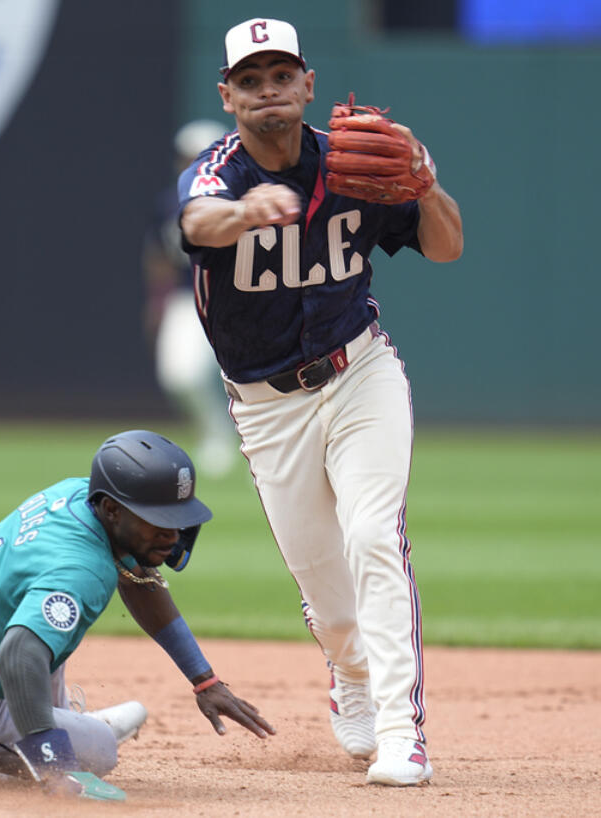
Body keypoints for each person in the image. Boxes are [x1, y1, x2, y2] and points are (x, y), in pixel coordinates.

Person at [176, 18, 464, 787]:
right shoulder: (220, 173)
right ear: (228, 95)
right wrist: (245, 213)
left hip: (360, 370)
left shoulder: (357, 163)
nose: (267, 92)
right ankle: (352, 676)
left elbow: (446, 246)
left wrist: (426, 182)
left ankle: (404, 735)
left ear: (308, 84)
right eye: (250, 80)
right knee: (328, 597)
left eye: (281, 77)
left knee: (373, 534)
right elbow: (197, 219)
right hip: (267, 406)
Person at [0, 429, 274, 802]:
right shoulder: (85, 570)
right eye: (159, 520)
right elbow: (17, 657)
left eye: (177, 518)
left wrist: (204, 679)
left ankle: (52, 721)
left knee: (44, 613)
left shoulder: (78, 496)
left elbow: (138, 576)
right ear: (112, 509)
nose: (171, 534)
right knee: (97, 751)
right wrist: (53, 766)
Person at [143, 120, 242, 477]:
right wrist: (157, 300)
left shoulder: (239, 195)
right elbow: (159, 256)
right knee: (179, 375)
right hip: (188, 298)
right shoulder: (169, 204)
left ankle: (262, 447)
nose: (191, 162)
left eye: (198, 155)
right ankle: (217, 431)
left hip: (237, 298)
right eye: (186, 155)